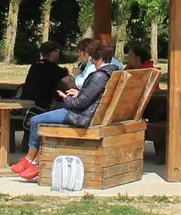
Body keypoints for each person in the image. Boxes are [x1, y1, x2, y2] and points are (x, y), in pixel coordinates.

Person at [12, 40, 113, 180]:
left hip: (79, 115)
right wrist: (78, 94)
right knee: (42, 115)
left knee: (36, 120)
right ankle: (33, 161)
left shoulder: (99, 75)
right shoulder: (111, 72)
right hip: (88, 112)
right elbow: (89, 97)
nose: (91, 59)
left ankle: (31, 160)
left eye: (92, 56)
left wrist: (66, 98)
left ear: (98, 58)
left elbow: (80, 103)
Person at [18, 42, 69, 113]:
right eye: (57, 51)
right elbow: (71, 85)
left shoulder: (34, 66)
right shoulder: (56, 69)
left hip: (27, 107)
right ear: (53, 53)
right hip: (44, 108)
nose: (58, 54)